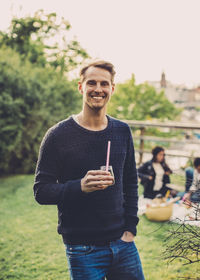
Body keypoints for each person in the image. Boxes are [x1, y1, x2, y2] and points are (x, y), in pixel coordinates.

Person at [33, 60, 145, 280]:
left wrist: (130, 229)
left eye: (104, 84)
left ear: (112, 89)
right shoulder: (57, 136)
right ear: (80, 86)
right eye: (91, 82)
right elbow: (41, 191)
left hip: (123, 245)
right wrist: (80, 187)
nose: (98, 89)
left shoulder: (122, 131)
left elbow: (131, 181)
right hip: (82, 248)